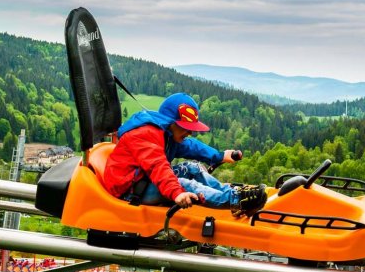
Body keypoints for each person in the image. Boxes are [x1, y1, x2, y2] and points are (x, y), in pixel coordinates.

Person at [102, 93, 267, 217]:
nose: (189, 132)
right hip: (130, 191)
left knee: (192, 167)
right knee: (183, 184)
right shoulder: (145, 134)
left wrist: (219, 155)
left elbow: (191, 146)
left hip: (144, 180)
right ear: (170, 122)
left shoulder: (168, 134)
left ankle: (230, 193)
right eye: (185, 127)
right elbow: (157, 166)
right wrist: (177, 192)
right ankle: (235, 201)